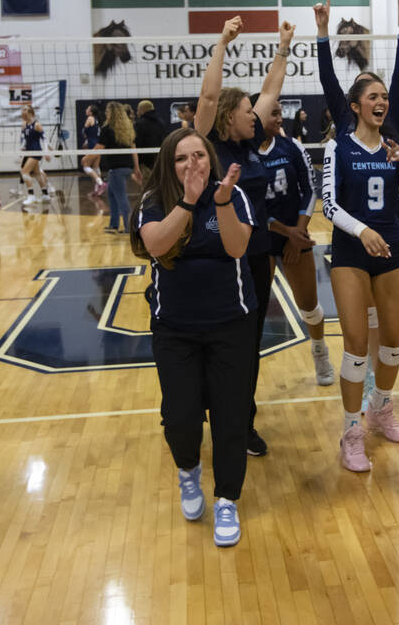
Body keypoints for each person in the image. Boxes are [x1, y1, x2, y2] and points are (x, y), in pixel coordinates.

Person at [129, 128, 254, 547]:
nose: (192, 164)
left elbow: (237, 248)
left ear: (210, 159)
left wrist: (218, 203)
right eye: (181, 158)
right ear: (170, 164)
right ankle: (188, 471)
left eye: (198, 155)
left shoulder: (233, 196)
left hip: (230, 326)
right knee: (181, 419)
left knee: (230, 417)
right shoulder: (154, 202)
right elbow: (158, 244)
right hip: (175, 330)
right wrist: (187, 201)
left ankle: (227, 499)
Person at [322, 70, 399, 472]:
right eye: (373, 96)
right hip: (352, 252)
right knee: (355, 345)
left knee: (393, 342)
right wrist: (362, 230)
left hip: (392, 250)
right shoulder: (338, 147)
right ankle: (352, 432)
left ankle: (381, 407)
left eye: (384, 96)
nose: (381, 102)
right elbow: (329, 206)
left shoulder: (393, 144)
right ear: (355, 106)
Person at [194, 17, 294, 457]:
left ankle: (241, 421)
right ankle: (196, 407)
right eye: (249, 112)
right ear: (229, 117)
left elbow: (271, 90)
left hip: (257, 260)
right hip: (220, 262)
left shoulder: (252, 147)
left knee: (249, 347)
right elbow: (209, 96)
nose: (259, 115)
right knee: (217, 344)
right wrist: (221, 43)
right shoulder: (210, 147)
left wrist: (284, 48)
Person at [258, 104, 332, 386]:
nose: (280, 118)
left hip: (296, 236)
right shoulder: (244, 153)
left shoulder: (291, 148)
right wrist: (286, 231)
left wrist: (297, 232)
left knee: (309, 305)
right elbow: (250, 206)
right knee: (254, 309)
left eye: (280, 113)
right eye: (273, 114)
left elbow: (310, 189)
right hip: (260, 239)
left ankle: (319, 351)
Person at [95, 101, 142, 233]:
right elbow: (134, 150)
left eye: (107, 112)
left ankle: (129, 228)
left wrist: (87, 158)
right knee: (112, 195)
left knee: (121, 197)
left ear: (112, 113)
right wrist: (136, 168)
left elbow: (99, 148)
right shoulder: (128, 128)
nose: (106, 114)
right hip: (127, 167)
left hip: (116, 169)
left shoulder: (107, 129)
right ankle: (114, 225)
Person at [19, 105, 53, 207]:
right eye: (22, 110)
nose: (23, 112)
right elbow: (24, 139)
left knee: (24, 172)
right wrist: (22, 147)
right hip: (29, 151)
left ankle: (31, 196)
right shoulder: (24, 124)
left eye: (25, 110)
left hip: (36, 151)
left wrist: (47, 152)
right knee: (37, 174)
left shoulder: (36, 125)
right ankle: (45, 195)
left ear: (31, 112)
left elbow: (45, 139)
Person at [134, 99, 167, 178]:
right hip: (159, 161)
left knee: (147, 185)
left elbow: (137, 142)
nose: (137, 112)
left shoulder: (139, 124)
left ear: (142, 111)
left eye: (138, 110)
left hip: (144, 163)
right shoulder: (161, 123)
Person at [81, 105, 106, 196]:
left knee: (85, 165)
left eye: (87, 108)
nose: (86, 109)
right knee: (96, 167)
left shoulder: (90, 118)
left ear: (91, 112)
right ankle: (97, 191)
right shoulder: (96, 119)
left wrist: (86, 139)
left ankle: (100, 183)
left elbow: (84, 132)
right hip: (97, 144)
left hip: (92, 144)